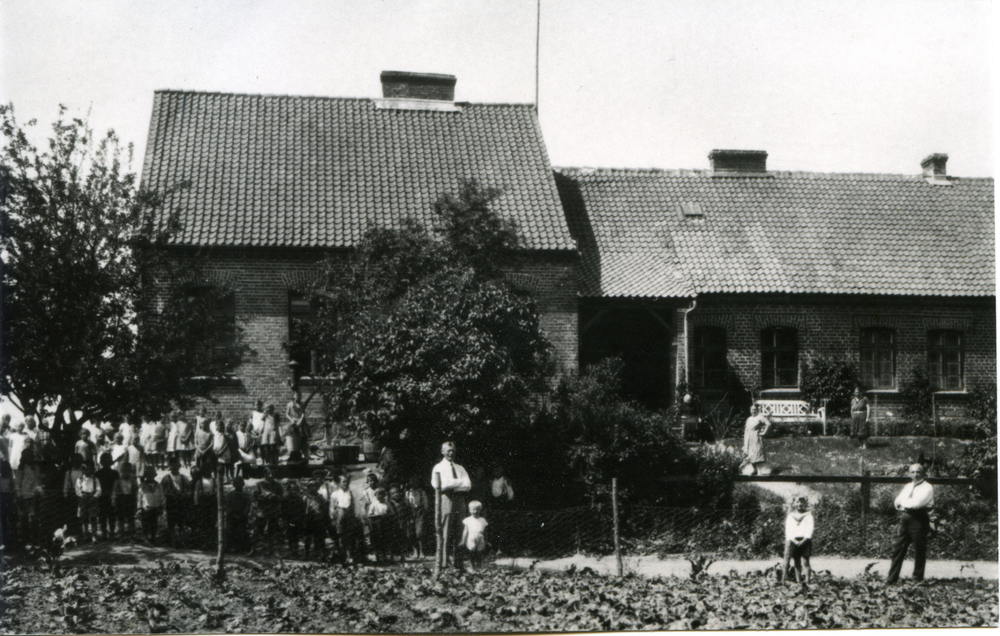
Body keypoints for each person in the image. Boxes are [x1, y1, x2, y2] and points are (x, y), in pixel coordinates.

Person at [886, 463, 935, 584]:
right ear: (909, 473)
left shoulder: (927, 487)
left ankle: (917, 579)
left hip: (919, 518)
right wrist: (903, 502)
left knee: (919, 550)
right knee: (898, 549)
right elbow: (897, 502)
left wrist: (903, 502)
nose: (915, 474)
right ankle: (892, 579)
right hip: (905, 518)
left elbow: (917, 504)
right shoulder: (908, 486)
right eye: (912, 472)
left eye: (918, 472)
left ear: (923, 473)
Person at [431, 441, 472, 570]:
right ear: (442, 451)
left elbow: (468, 485)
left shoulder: (460, 468)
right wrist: (459, 483)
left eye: (453, 450)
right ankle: (443, 563)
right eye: (448, 450)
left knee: (461, 530)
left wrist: (452, 483)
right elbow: (441, 485)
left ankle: (458, 563)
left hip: (460, 500)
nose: (451, 453)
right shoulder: (438, 467)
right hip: (446, 498)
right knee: (446, 530)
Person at [780, 495, 814, 584]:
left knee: (806, 562)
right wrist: (794, 541)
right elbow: (788, 530)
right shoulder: (791, 516)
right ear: (795, 504)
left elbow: (809, 529)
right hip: (794, 540)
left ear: (805, 504)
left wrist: (804, 540)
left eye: (802, 502)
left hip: (805, 540)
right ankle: (798, 581)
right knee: (797, 562)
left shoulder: (808, 516)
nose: (800, 504)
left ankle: (807, 581)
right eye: (798, 502)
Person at [160, 457, 191, 547]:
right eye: (172, 465)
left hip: (181, 502)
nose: (174, 467)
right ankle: (171, 541)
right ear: (169, 466)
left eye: (176, 465)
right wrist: (168, 495)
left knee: (181, 521)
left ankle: (181, 541)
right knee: (171, 522)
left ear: (179, 466)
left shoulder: (183, 477)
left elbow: (189, 489)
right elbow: (161, 491)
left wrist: (186, 495)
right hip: (171, 502)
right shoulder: (166, 478)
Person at [138, 465, 166, 545]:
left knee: (154, 524)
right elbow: (139, 497)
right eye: (148, 474)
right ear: (146, 476)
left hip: (155, 507)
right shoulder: (142, 486)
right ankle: (146, 538)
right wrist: (139, 507)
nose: (150, 476)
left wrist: (162, 506)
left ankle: (153, 538)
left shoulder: (158, 486)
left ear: (154, 475)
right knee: (145, 524)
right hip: (146, 508)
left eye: (152, 474)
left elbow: (162, 496)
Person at [225, 476, 253, 554]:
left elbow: (248, 505)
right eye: (236, 483)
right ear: (233, 485)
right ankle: (230, 547)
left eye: (240, 483)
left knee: (241, 531)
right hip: (232, 516)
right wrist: (232, 514)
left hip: (242, 516)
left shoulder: (245, 495)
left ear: (243, 484)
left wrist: (243, 514)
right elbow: (227, 506)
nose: (238, 485)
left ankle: (241, 548)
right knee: (229, 530)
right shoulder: (230, 495)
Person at [75, 461, 102, 543]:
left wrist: (95, 496)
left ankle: (94, 535)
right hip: (83, 499)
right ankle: (86, 534)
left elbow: (99, 489)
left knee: (93, 517)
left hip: (92, 499)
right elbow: (77, 489)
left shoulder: (95, 479)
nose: (88, 471)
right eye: (86, 469)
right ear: (83, 470)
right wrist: (81, 495)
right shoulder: (80, 479)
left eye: (90, 469)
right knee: (84, 517)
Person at [94, 452, 119, 540]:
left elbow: (116, 485)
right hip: (101, 497)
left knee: (112, 515)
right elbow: (96, 486)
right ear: (101, 462)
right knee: (102, 515)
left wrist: (114, 496)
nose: (106, 463)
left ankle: (112, 532)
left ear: (111, 462)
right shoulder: (97, 473)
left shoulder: (115, 473)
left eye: (108, 461)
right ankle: (104, 533)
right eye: (104, 461)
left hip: (112, 496)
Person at [112, 462, 139, 541]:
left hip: (130, 499)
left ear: (131, 472)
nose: (126, 473)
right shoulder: (117, 481)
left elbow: (136, 491)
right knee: (120, 518)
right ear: (120, 471)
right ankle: (121, 535)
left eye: (128, 471)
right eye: (123, 471)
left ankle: (131, 535)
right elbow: (114, 492)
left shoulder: (133, 480)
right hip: (120, 500)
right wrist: (113, 502)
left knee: (130, 518)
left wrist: (136, 501)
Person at [742, 404, 771, 476]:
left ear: (757, 410)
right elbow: (746, 429)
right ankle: (754, 469)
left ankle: (759, 471)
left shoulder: (760, 417)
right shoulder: (749, 419)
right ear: (750, 410)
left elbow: (768, 424)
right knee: (750, 454)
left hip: (756, 437)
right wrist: (745, 440)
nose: (753, 411)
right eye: (752, 410)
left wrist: (763, 432)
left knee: (757, 453)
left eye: (755, 410)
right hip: (748, 438)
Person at [461, 500, 489, 572]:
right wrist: (463, 540)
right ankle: (472, 567)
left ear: (480, 510)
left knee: (479, 553)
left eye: (477, 509)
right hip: (471, 538)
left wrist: (486, 540)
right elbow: (465, 531)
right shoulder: (468, 520)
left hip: (480, 537)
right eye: (473, 509)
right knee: (472, 553)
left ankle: (479, 566)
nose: (475, 511)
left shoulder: (482, 520)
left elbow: (485, 532)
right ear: (470, 510)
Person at [405, 476, 429, 559]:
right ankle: (415, 551)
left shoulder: (422, 492)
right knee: (411, 532)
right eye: (412, 482)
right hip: (411, 513)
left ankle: (422, 552)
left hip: (420, 512)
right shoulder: (407, 493)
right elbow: (406, 504)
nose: (414, 484)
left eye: (416, 482)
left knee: (420, 532)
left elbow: (426, 505)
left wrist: (423, 513)